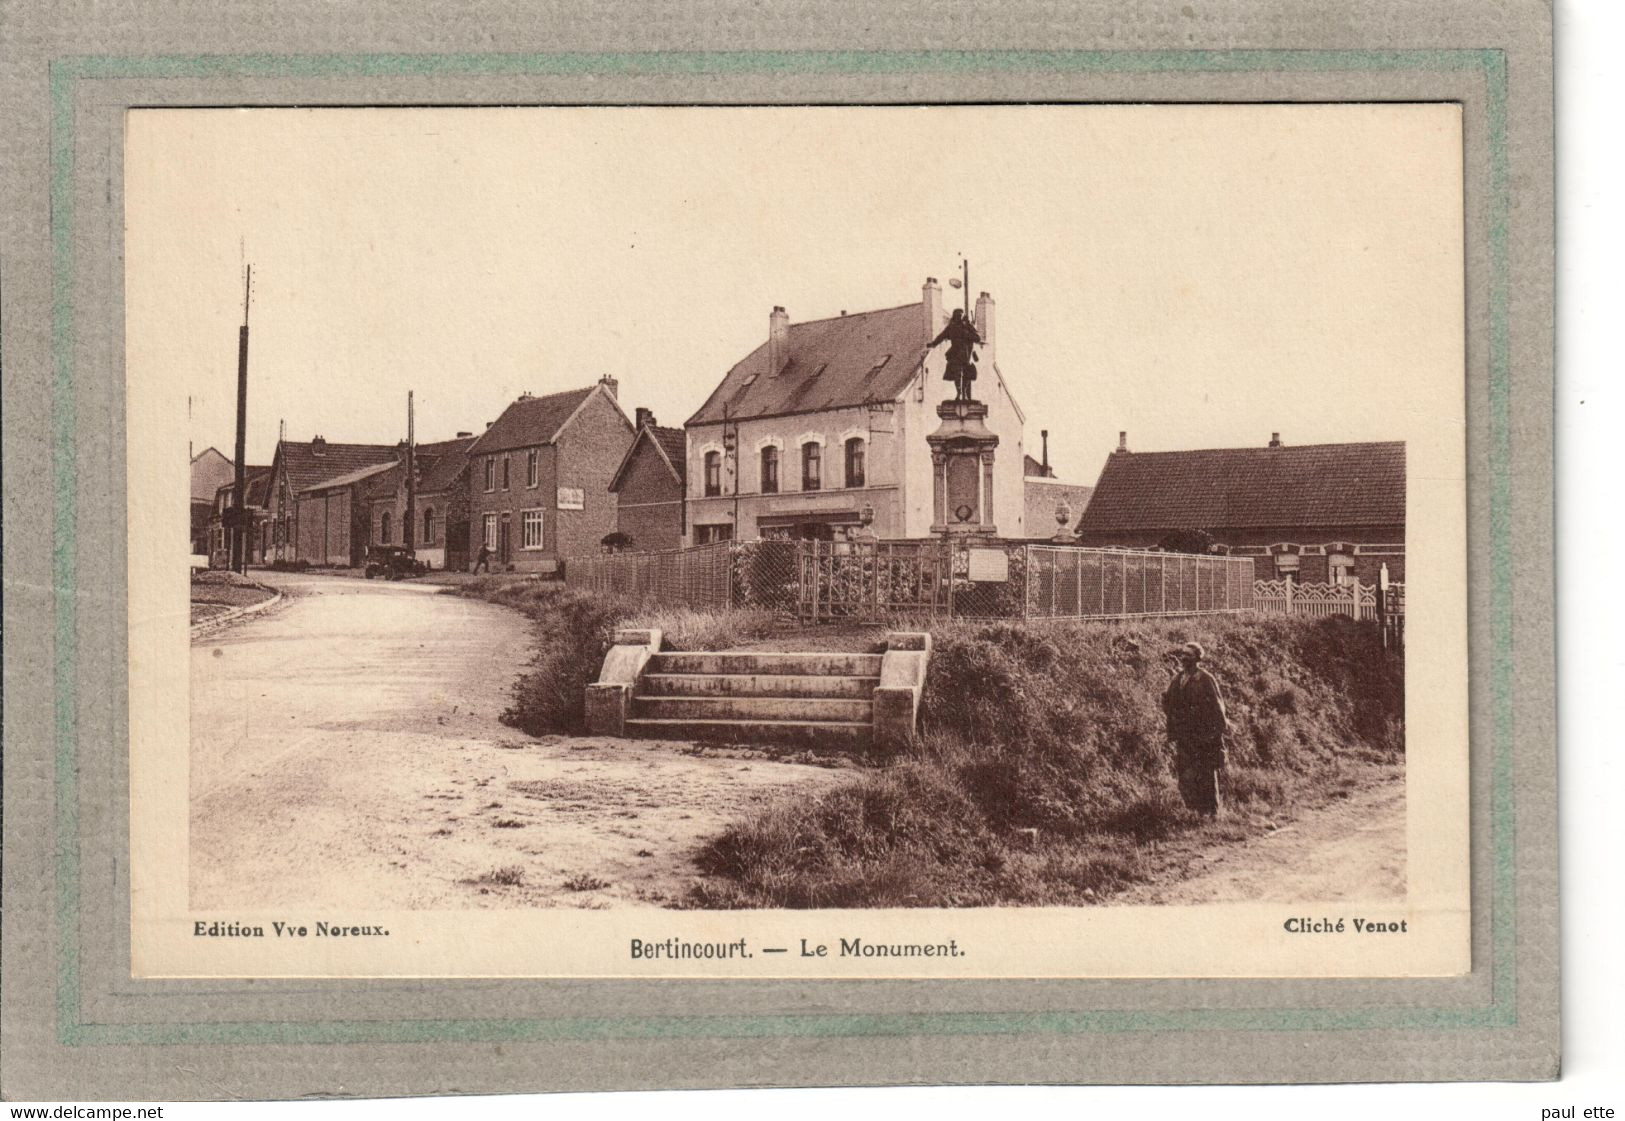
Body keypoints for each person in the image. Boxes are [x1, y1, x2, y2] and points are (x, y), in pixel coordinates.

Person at [1161, 641, 1228, 817]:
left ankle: (1211, 812)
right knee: (1185, 775)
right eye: (1183, 655)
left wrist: (1217, 732)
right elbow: (1168, 703)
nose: (1184, 658)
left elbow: (1217, 706)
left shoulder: (1205, 678)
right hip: (1185, 736)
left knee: (1206, 774)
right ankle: (1194, 811)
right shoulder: (1177, 679)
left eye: (1189, 655)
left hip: (1204, 736)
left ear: (1197, 658)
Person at [930, 307, 983, 401]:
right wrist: (933, 344)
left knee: (967, 374)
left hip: (967, 355)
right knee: (957, 374)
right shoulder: (952, 327)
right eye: (957, 316)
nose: (958, 318)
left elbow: (977, 338)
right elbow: (941, 336)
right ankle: (959, 393)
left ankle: (964, 392)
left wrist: (966, 333)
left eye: (960, 316)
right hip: (955, 354)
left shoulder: (967, 326)